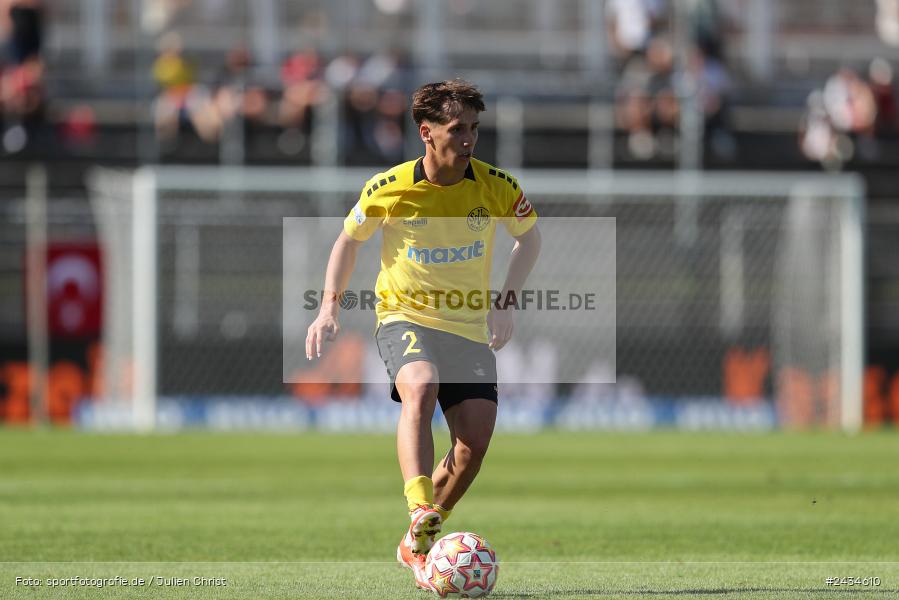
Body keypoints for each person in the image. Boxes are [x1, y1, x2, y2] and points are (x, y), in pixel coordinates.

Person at [305, 79, 541, 590]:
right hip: (403, 317)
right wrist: (329, 309)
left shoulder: (496, 185)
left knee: (473, 445)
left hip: (467, 326)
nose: (469, 139)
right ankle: (418, 508)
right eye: (458, 129)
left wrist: (506, 302)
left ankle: (418, 542)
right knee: (422, 384)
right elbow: (348, 242)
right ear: (426, 132)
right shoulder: (390, 186)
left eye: (475, 129)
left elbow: (530, 238)